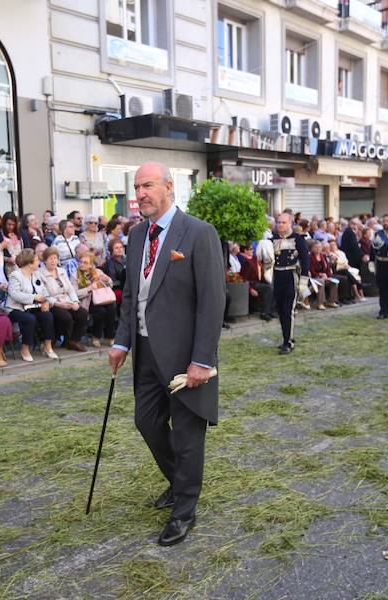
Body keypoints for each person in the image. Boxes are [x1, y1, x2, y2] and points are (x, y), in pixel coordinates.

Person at [107, 162, 224, 547]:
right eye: (136, 187)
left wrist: (202, 361)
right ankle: (180, 482)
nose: (140, 193)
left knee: (189, 437)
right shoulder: (138, 235)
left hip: (184, 357)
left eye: (148, 185)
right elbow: (130, 296)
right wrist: (122, 341)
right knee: (147, 423)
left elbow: (212, 301)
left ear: (169, 187)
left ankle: (184, 509)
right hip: (145, 355)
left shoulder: (198, 233)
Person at [6, 248, 58, 362]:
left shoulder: (36, 275)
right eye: (36, 260)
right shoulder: (15, 275)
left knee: (47, 315)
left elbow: (45, 292)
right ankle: (25, 348)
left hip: (33, 307)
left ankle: (48, 346)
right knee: (29, 319)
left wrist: (46, 302)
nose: (39, 263)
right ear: (29, 263)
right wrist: (34, 297)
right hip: (15, 308)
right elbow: (15, 294)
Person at [271, 212, 309, 354]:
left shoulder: (298, 239)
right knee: (281, 310)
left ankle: (288, 342)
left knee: (288, 310)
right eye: (278, 222)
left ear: (290, 223)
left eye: (283, 222)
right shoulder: (273, 238)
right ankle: (287, 338)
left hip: (291, 276)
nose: (280, 225)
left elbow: (305, 261)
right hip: (277, 276)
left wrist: (304, 281)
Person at [38, 247, 88, 352]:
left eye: (55, 258)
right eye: (50, 259)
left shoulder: (62, 271)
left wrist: (75, 301)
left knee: (82, 312)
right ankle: (52, 339)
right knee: (66, 317)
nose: (53, 261)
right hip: (52, 303)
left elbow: (70, 289)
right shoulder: (40, 274)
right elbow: (43, 294)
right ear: (45, 260)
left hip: (66, 300)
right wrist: (59, 304)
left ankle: (73, 341)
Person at [74, 251, 116, 347]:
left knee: (111, 309)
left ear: (91, 265)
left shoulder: (97, 272)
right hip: (86, 301)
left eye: (85, 263)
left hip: (101, 298)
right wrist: (89, 289)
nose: (82, 264)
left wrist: (108, 280)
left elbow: (110, 285)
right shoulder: (75, 275)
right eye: (80, 262)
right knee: (100, 311)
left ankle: (109, 336)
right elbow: (74, 293)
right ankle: (96, 336)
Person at [237, 243, 274, 320]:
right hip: (252, 283)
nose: (252, 250)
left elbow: (261, 273)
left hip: (259, 281)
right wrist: (250, 289)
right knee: (268, 288)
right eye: (250, 249)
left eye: (252, 249)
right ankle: (264, 313)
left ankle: (269, 311)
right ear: (245, 250)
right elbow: (244, 278)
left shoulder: (255, 260)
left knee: (272, 286)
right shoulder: (247, 262)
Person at [308, 241, 339, 310]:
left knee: (334, 282)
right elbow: (312, 271)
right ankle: (320, 303)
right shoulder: (310, 257)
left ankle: (331, 301)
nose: (318, 248)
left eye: (320, 247)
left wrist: (328, 277)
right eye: (316, 247)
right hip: (314, 278)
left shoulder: (323, 256)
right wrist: (320, 275)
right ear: (312, 248)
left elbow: (327, 268)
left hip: (324, 277)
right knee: (321, 282)